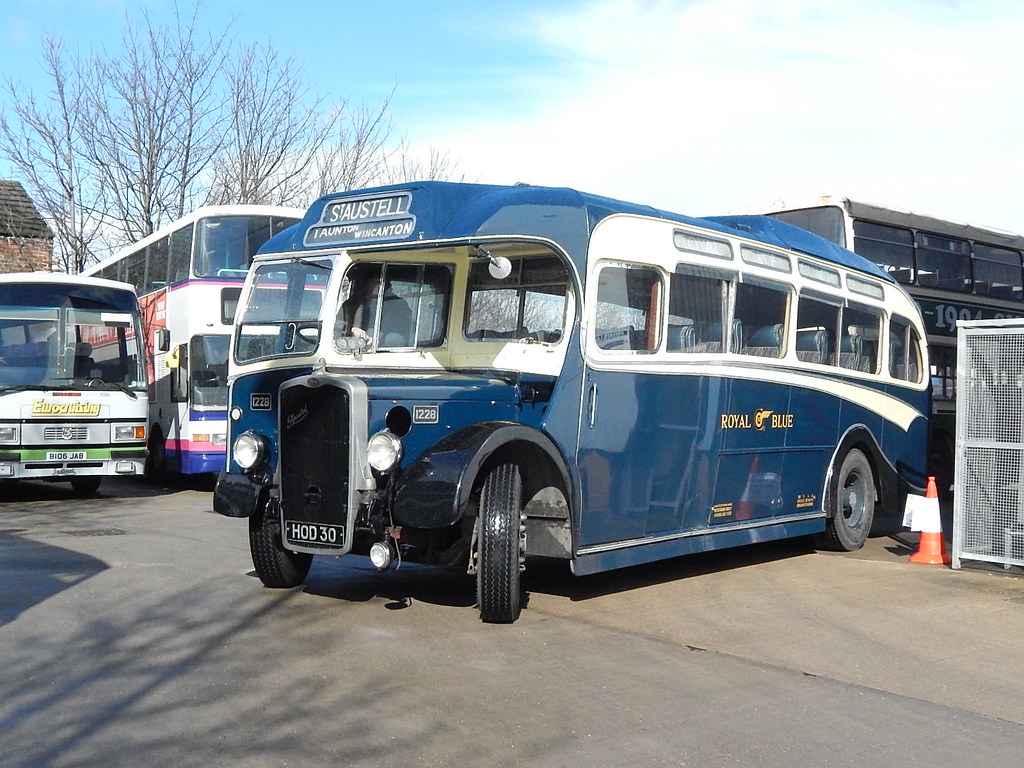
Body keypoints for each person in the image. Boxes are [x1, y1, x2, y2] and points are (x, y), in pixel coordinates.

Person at [337, 266, 412, 348]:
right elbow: (337, 329)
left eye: (382, 283)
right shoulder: (350, 305)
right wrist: (352, 330)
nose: (380, 286)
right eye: (376, 282)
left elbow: (405, 331)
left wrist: (375, 338)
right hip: (353, 351)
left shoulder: (398, 304)